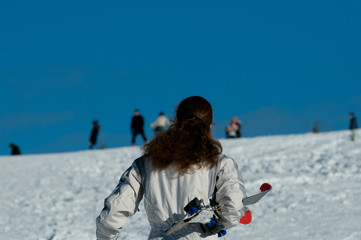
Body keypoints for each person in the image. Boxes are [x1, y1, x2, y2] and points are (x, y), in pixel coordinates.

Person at [96, 96, 246, 240]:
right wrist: (218, 224)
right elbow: (233, 206)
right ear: (209, 125)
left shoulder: (145, 164)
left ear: (176, 120)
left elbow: (113, 213)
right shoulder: (221, 163)